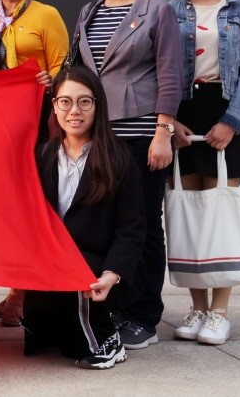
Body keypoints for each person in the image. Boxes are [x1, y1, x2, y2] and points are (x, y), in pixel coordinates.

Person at [69, 0, 181, 350]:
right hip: (100, 137)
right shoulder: (89, 12)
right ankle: (117, 305)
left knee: (144, 225)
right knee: (105, 225)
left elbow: (170, 74)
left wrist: (163, 133)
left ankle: (145, 315)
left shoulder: (157, 10)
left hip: (140, 136)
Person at [167, 0, 240, 345]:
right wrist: (169, 122)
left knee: (222, 215)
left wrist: (233, 121)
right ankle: (197, 307)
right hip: (184, 116)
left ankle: (220, 312)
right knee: (186, 216)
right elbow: (160, 69)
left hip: (224, 110)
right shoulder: (168, 12)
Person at [22, 66, 144, 370]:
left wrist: (113, 273)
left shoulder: (118, 158)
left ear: (97, 106)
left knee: (84, 344)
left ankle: (108, 340)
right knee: (62, 344)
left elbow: (132, 229)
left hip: (99, 269)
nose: (74, 111)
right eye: (65, 101)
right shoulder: (42, 156)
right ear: (54, 106)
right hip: (53, 264)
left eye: (84, 102)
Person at [0, 0, 70, 326]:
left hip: (39, 123)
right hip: (0, 126)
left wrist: (53, 79)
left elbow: (65, 65)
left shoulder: (46, 14)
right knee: (7, 208)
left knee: (34, 203)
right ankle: (15, 286)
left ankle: (22, 293)